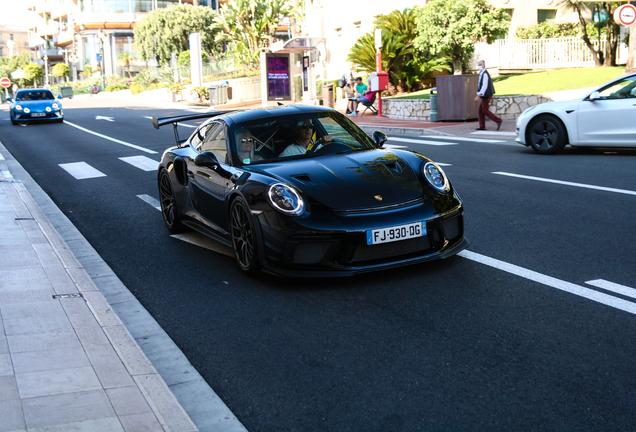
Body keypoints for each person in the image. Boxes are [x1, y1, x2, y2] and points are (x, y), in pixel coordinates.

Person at [474, 59, 502, 131]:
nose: (479, 67)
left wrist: (479, 95)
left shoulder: (485, 74)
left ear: (484, 65)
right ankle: (482, 126)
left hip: (487, 94)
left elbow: (484, 86)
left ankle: (498, 120)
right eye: (478, 65)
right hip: (485, 95)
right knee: (480, 110)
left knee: (484, 110)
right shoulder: (482, 73)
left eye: (480, 65)